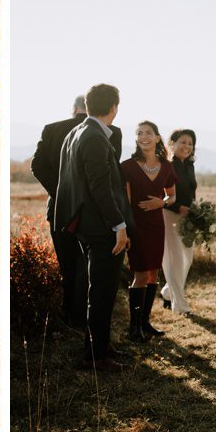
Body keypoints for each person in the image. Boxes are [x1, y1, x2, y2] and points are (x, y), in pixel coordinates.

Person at [52, 83, 132, 372]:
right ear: (114, 108)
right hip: (101, 228)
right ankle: (95, 357)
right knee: (102, 291)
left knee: (98, 289)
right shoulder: (95, 137)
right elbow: (101, 188)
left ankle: (100, 346)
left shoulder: (77, 132)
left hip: (86, 224)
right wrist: (119, 225)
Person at [31, 96, 123, 331]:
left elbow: (37, 166)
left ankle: (70, 317)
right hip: (95, 212)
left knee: (68, 266)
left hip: (61, 211)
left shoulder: (52, 129)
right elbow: (106, 177)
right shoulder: (112, 132)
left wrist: (63, 194)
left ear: (74, 109)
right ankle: (85, 322)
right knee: (93, 271)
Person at [121, 121, 176, 341]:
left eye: (148, 133)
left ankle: (145, 323)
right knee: (141, 275)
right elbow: (125, 203)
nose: (144, 136)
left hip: (156, 225)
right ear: (135, 139)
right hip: (136, 226)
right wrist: (126, 230)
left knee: (153, 274)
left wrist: (161, 203)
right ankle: (133, 329)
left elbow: (172, 196)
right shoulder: (127, 166)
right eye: (139, 133)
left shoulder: (167, 166)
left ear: (157, 137)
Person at [160, 129, 198, 315]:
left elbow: (191, 192)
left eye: (190, 143)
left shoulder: (189, 166)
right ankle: (180, 305)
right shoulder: (167, 166)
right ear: (173, 144)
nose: (187, 146)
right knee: (174, 259)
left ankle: (168, 292)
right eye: (183, 142)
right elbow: (162, 195)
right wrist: (178, 208)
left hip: (188, 217)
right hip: (169, 215)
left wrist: (196, 212)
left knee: (187, 257)